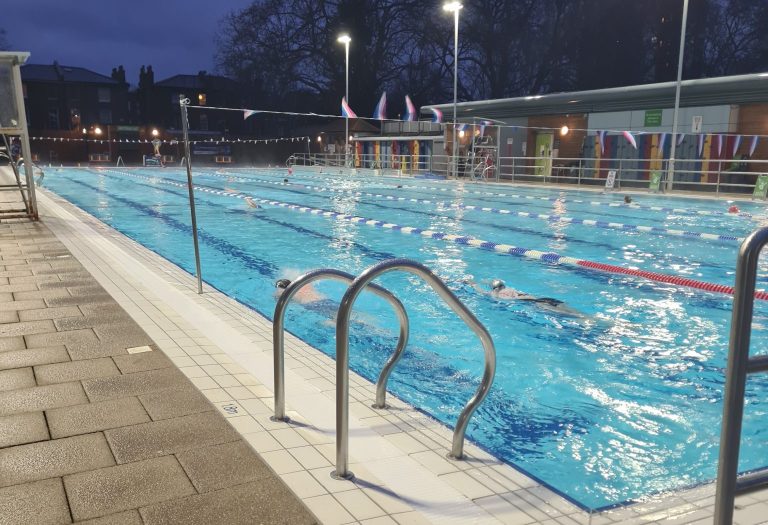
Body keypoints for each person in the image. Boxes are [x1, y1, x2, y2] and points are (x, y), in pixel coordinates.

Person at [466, 278, 588, 318]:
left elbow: (480, 291)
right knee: (570, 310)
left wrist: (471, 283)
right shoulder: (511, 289)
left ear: (493, 288)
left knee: (567, 315)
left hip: (534, 303)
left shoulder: (494, 294)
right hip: (543, 298)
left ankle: (584, 318)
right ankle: (586, 316)